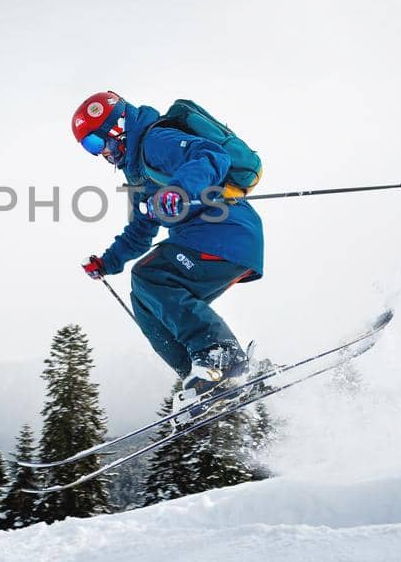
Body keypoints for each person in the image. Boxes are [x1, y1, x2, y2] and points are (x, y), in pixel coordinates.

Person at [73, 90, 265, 414]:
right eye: (89, 149)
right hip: (208, 241)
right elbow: (140, 231)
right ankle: (202, 377)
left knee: (150, 277)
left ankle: (221, 356)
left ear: (117, 127)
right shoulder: (139, 176)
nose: (99, 153)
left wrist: (179, 190)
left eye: (95, 142)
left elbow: (210, 157)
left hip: (225, 232)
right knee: (144, 301)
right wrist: (107, 262)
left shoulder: (154, 141)